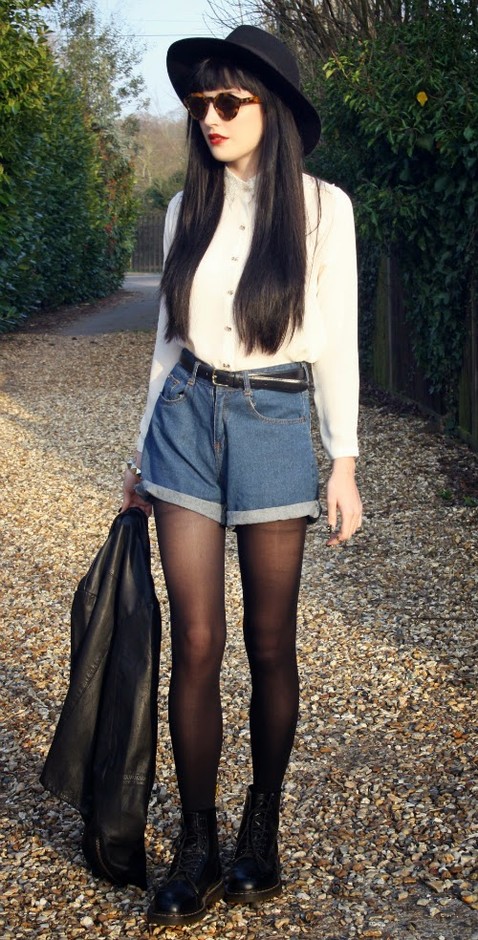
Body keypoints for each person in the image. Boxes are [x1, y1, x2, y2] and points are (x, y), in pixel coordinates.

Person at [122, 24, 362, 927]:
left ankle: (262, 828)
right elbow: (165, 342)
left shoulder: (323, 209)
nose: (212, 118)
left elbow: (335, 338)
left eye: (230, 102)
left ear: (273, 110)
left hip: (271, 420)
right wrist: (140, 448)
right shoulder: (189, 208)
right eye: (201, 105)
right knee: (196, 640)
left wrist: (343, 460)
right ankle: (198, 842)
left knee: (270, 642)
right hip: (185, 418)